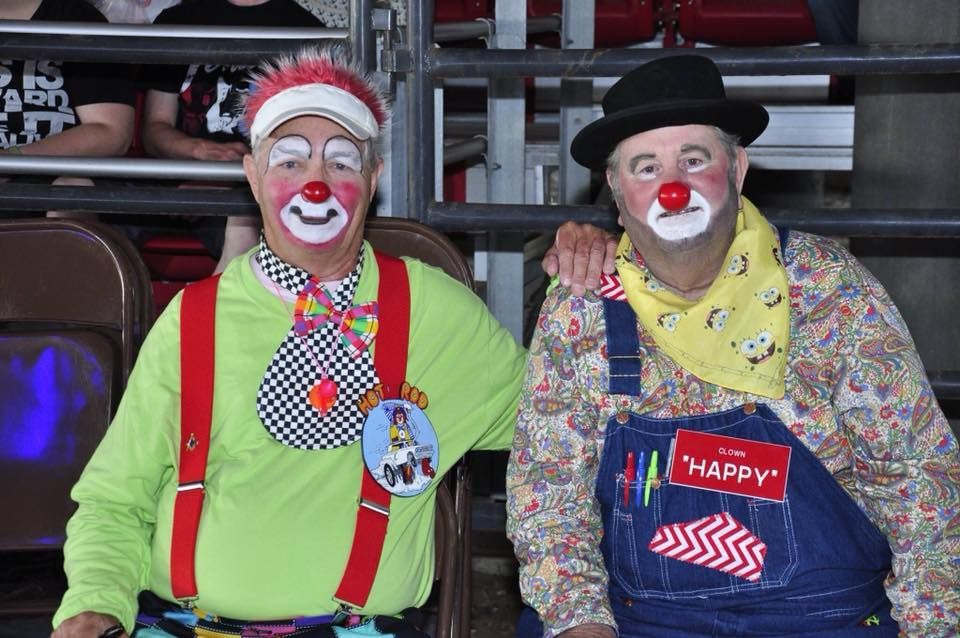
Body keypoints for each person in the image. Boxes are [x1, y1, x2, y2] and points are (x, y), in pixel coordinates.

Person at [50, 43, 613, 638]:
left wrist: (600, 272)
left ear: (372, 182)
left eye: (341, 163)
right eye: (289, 161)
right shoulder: (194, 318)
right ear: (252, 174)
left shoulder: (435, 312)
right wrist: (93, 606)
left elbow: (563, 419)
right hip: (186, 624)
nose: (314, 184)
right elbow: (116, 498)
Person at [506, 54, 960, 638]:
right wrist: (581, 624)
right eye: (646, 168)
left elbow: (919, 476)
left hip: (823, 618)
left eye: (694, 160)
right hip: (646, 621)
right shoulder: (585, 306)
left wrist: (928, 626)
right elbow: (548, 495)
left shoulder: (826, 288)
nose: (673, 188)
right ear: (617, 195)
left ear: (738, 169)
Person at [139, 0, 329, 273]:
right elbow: (155, 128)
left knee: (243, 218)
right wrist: (198, 152)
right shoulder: (178, 19)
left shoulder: (304, 30)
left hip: (254, 189)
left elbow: (305, 143)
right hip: (177, 178)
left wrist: (224, 182)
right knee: (97, 214)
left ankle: (226, 309)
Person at [0, 0, 135, 179]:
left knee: (74, 187)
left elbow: (112, 134)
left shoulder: (81, 21)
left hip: (57, 176)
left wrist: (13, 159)